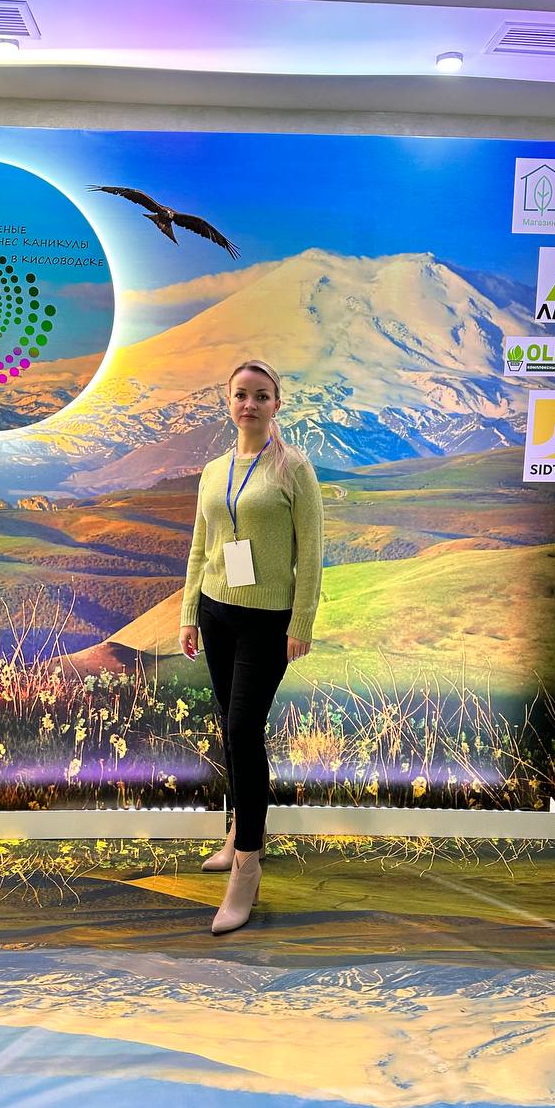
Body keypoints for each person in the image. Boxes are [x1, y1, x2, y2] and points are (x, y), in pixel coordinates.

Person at [178, 359, 324, 934]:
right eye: (241, 395)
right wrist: (189, 614)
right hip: (216, 612)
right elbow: (200, 546)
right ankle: (242, 829)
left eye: (261, 396)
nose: (250, 405)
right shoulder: (214, 471)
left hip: (267, 621)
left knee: (243, 730)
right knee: (230, 725)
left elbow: (311, 552)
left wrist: (301, 622)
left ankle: (246, 868)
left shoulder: (294, 469)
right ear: (228, 402)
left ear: (276, 404)